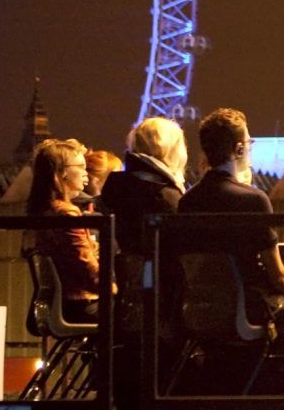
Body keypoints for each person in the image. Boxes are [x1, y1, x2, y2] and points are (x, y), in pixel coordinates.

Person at [169, 108, 284, 329]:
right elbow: (278, 276)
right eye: (249, 143)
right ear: (239, 149)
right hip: (248, 310)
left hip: (201, 312)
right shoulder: (253, 200)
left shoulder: (188, 201)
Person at [97, 117, 188, 279]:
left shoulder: (115, 188)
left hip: (122, 285)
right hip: (158, 288)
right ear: (171, 150)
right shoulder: (164, 196)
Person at [27, 138, 100, 323]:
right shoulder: (67, 214)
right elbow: (89, 271)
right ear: (63, 172)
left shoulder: (43, 211)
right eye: (81, 166)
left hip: (63, 304)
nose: (87, 174)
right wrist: (120, 286)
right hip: (81, 304)